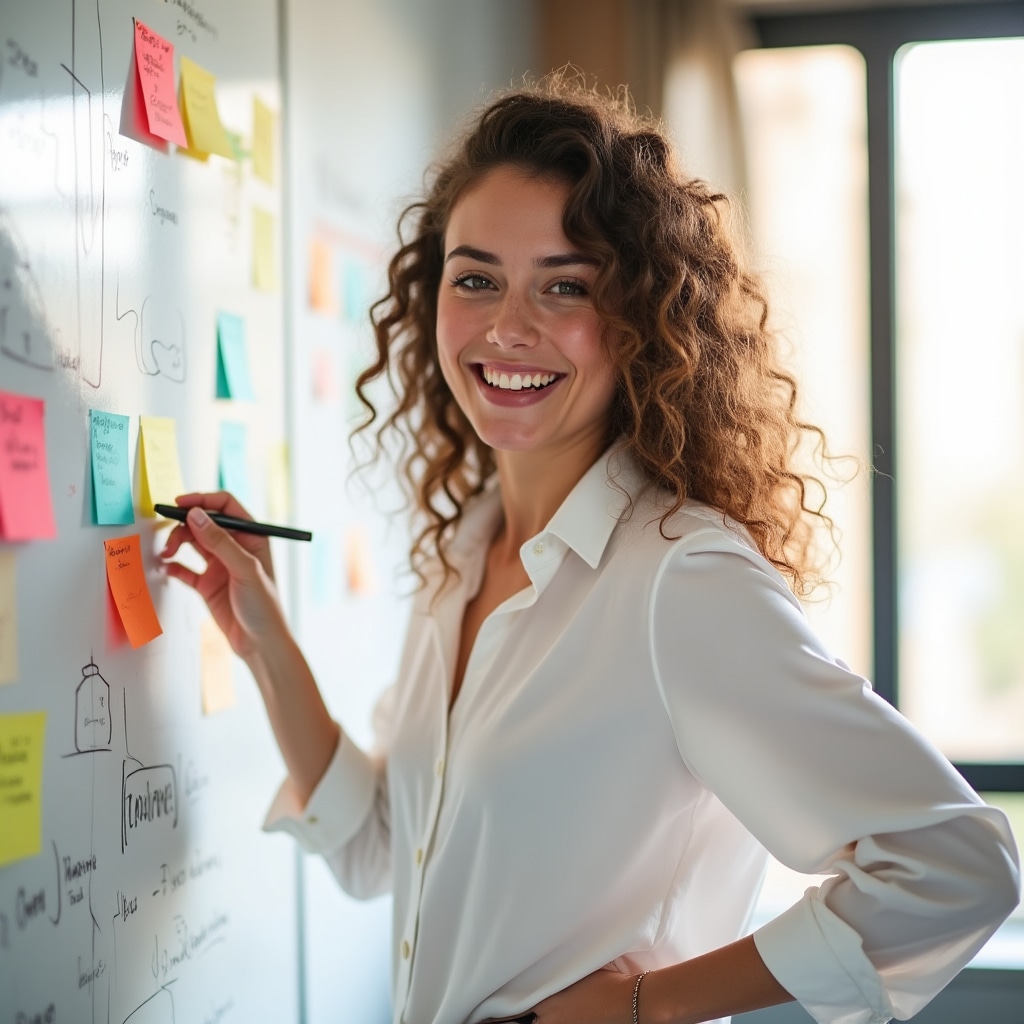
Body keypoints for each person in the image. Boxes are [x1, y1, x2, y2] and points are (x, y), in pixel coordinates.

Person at [160, 75, 1020, 1024]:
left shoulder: (679, 578)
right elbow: (380, 848)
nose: (507, 328)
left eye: (564, 286)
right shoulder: (463, 556)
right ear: (431, 296)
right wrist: (264, 640)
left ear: (641, 320)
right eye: (475, 278)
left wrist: (643, 1006)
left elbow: (955, 864)